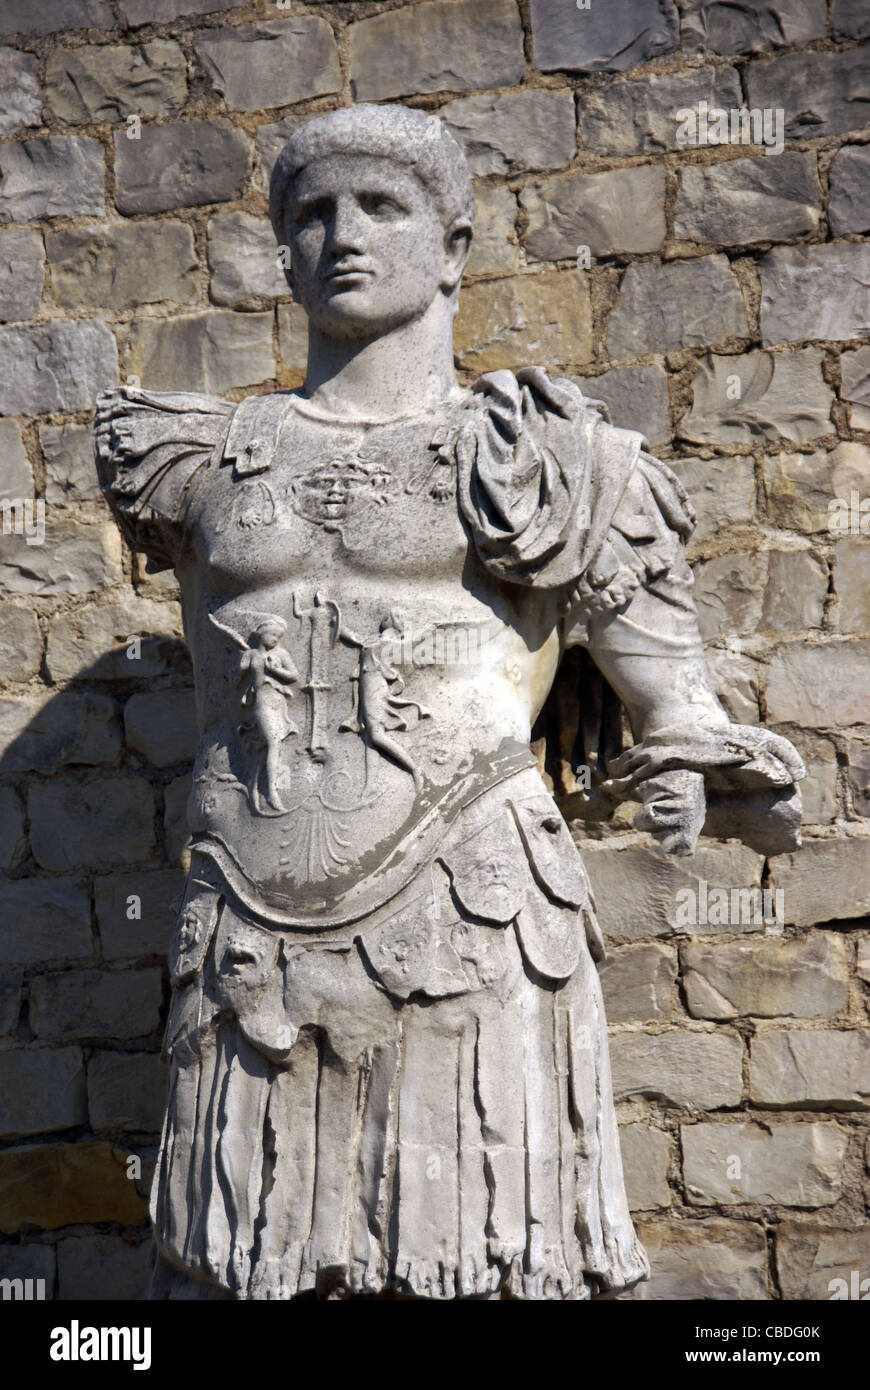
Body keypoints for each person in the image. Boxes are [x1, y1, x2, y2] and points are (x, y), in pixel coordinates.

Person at [94, 103, 803, 1301]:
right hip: (246, 923)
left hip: (472, 911)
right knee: (238, 1256)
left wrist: (683, 759)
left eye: (382, 206)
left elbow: (672, 693)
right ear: (282, 250)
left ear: (455, 246)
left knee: (475, 1251)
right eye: (312, 214)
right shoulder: (195, 461)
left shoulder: (547, 463)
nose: (343, 235)